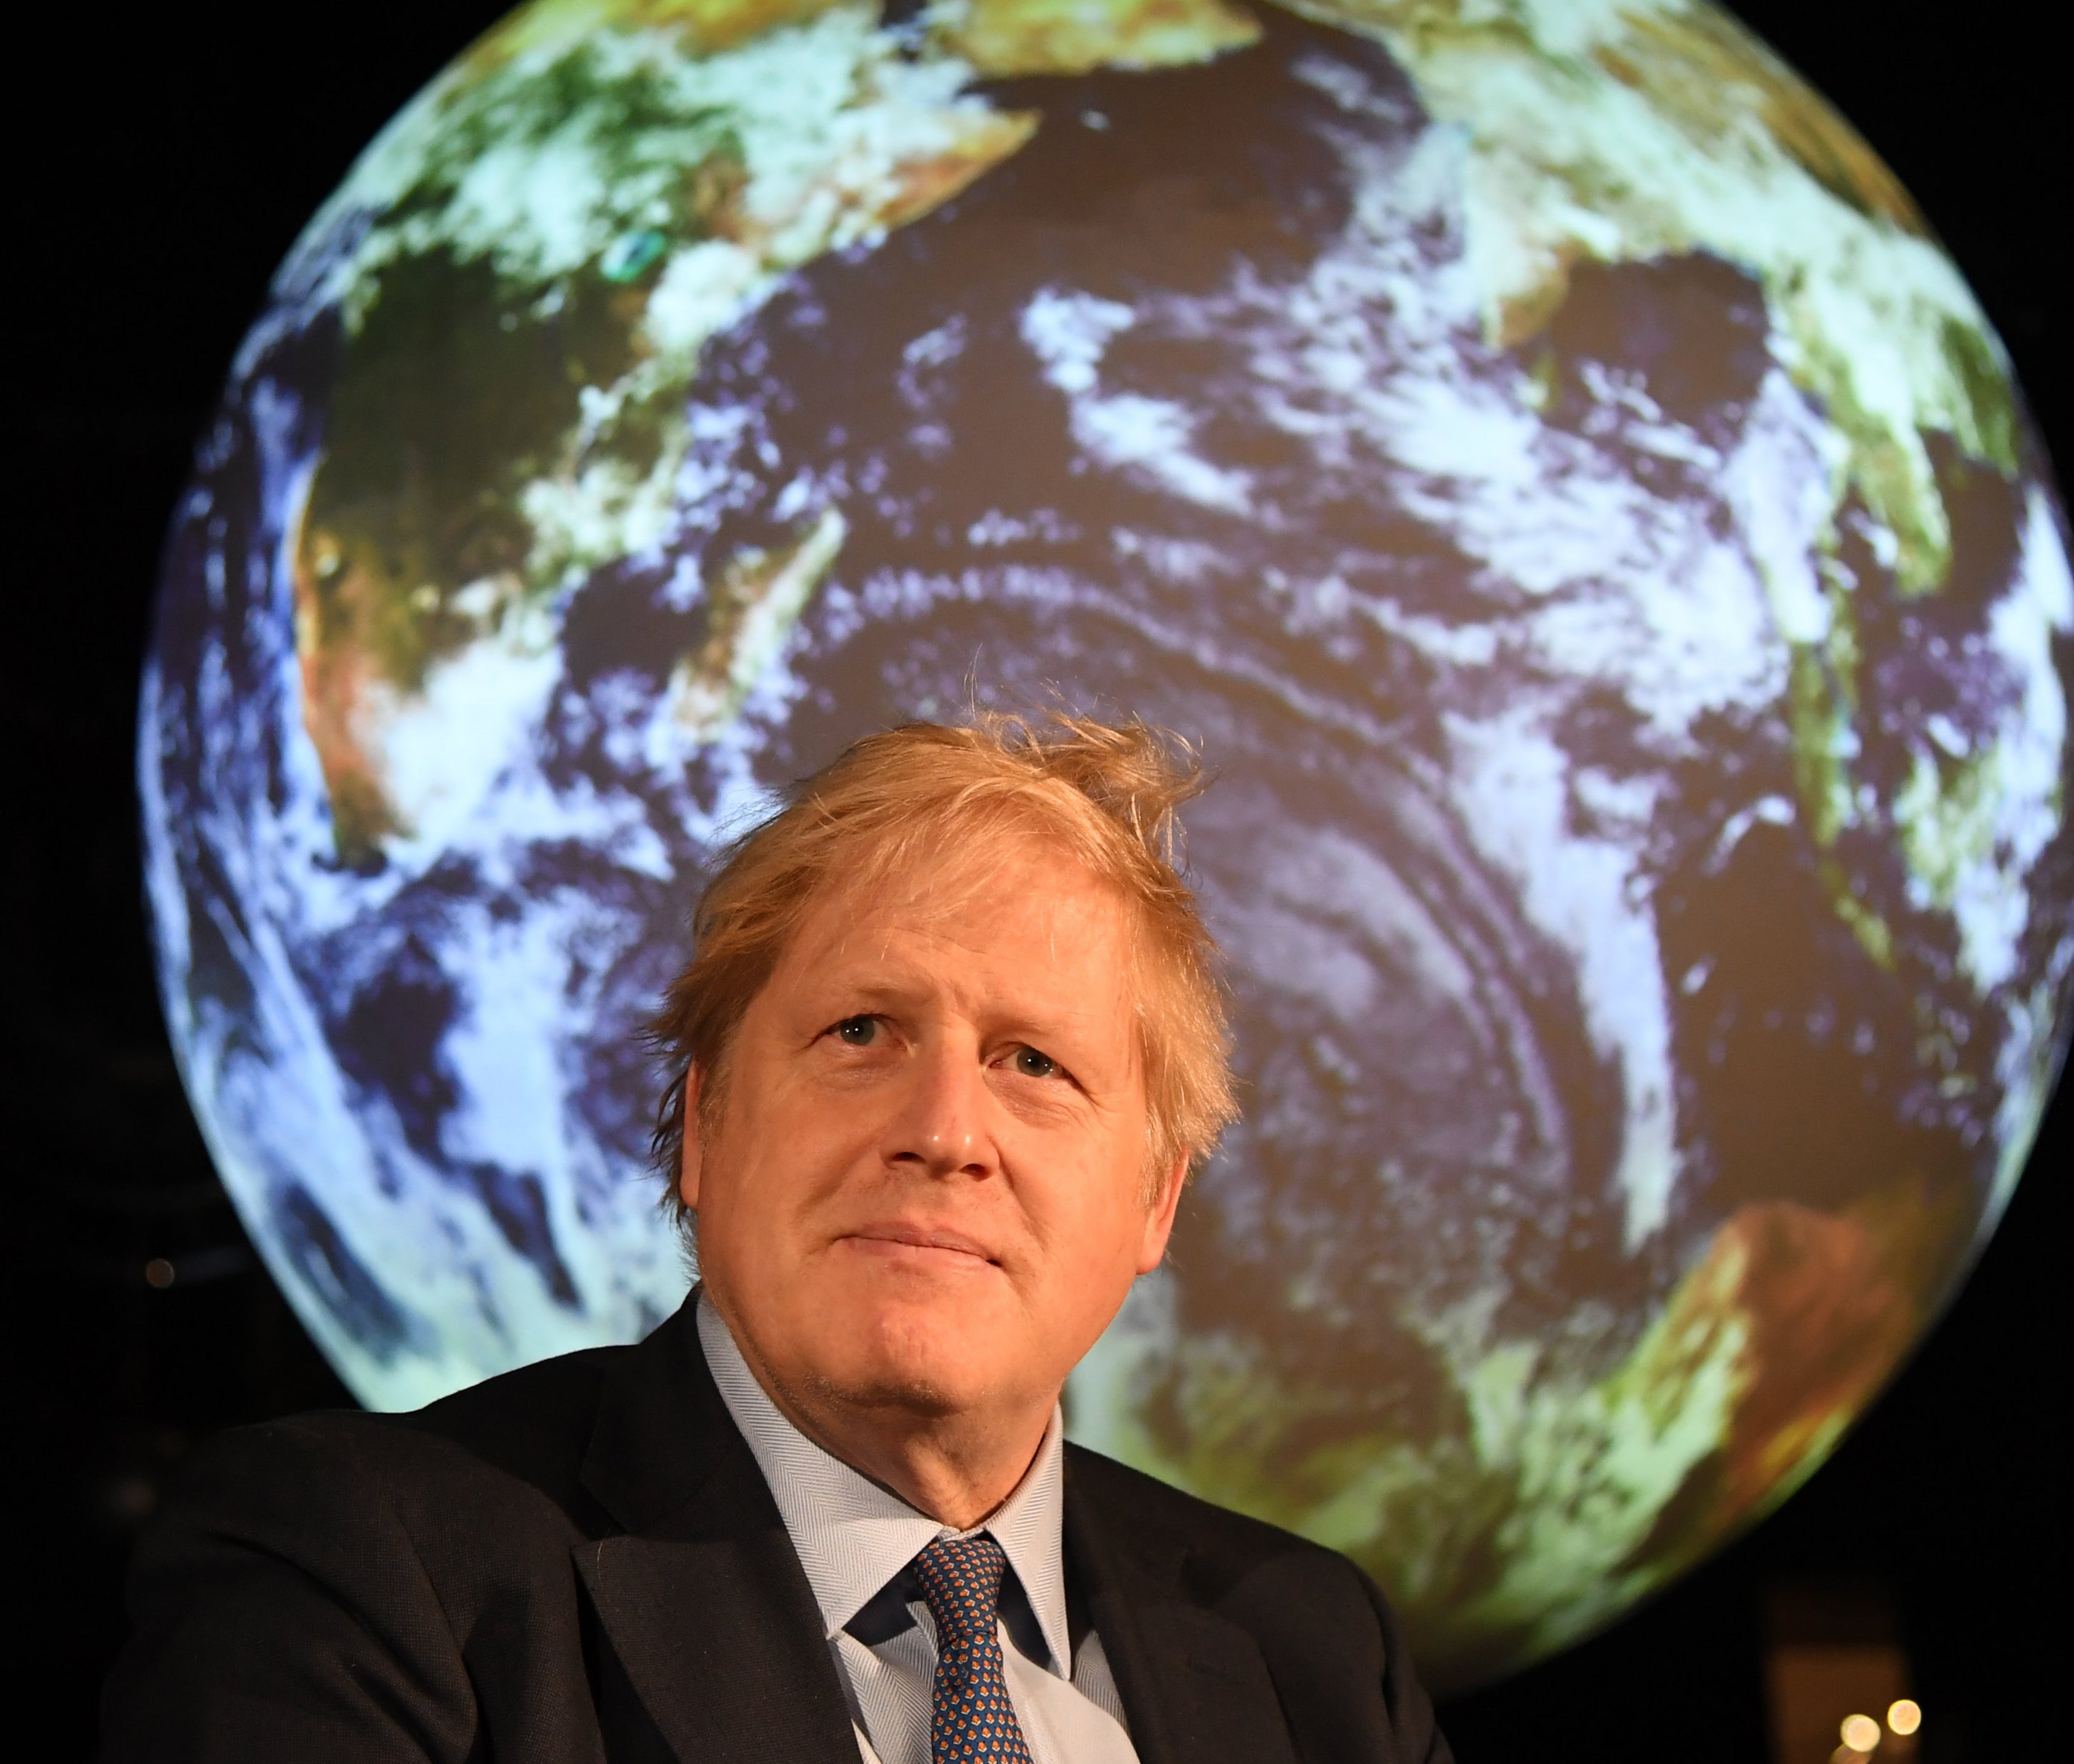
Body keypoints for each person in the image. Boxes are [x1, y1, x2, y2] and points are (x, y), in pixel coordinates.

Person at [102, 713, 1451, 1763]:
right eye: (861, 1031)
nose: (946, 1130)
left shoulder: (1318, 1659)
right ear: (703, 1124)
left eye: (1034, 1062)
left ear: (1154, 1201)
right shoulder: (361, 1575)